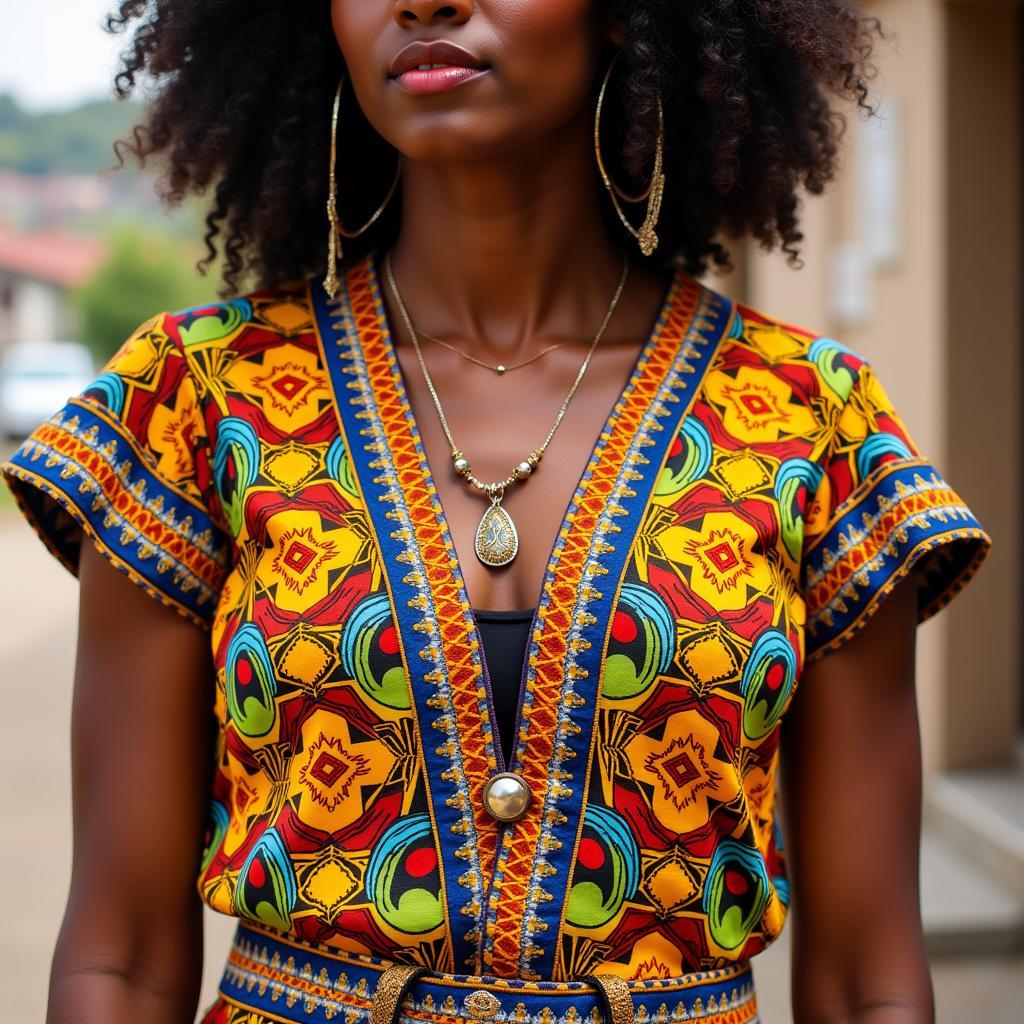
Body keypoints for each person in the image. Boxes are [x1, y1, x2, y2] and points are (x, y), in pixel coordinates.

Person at [0, 2, 992, 1022]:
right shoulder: (198, 400)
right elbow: (116, 959)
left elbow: (867, 979)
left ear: (627, 16)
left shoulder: (809, 422)